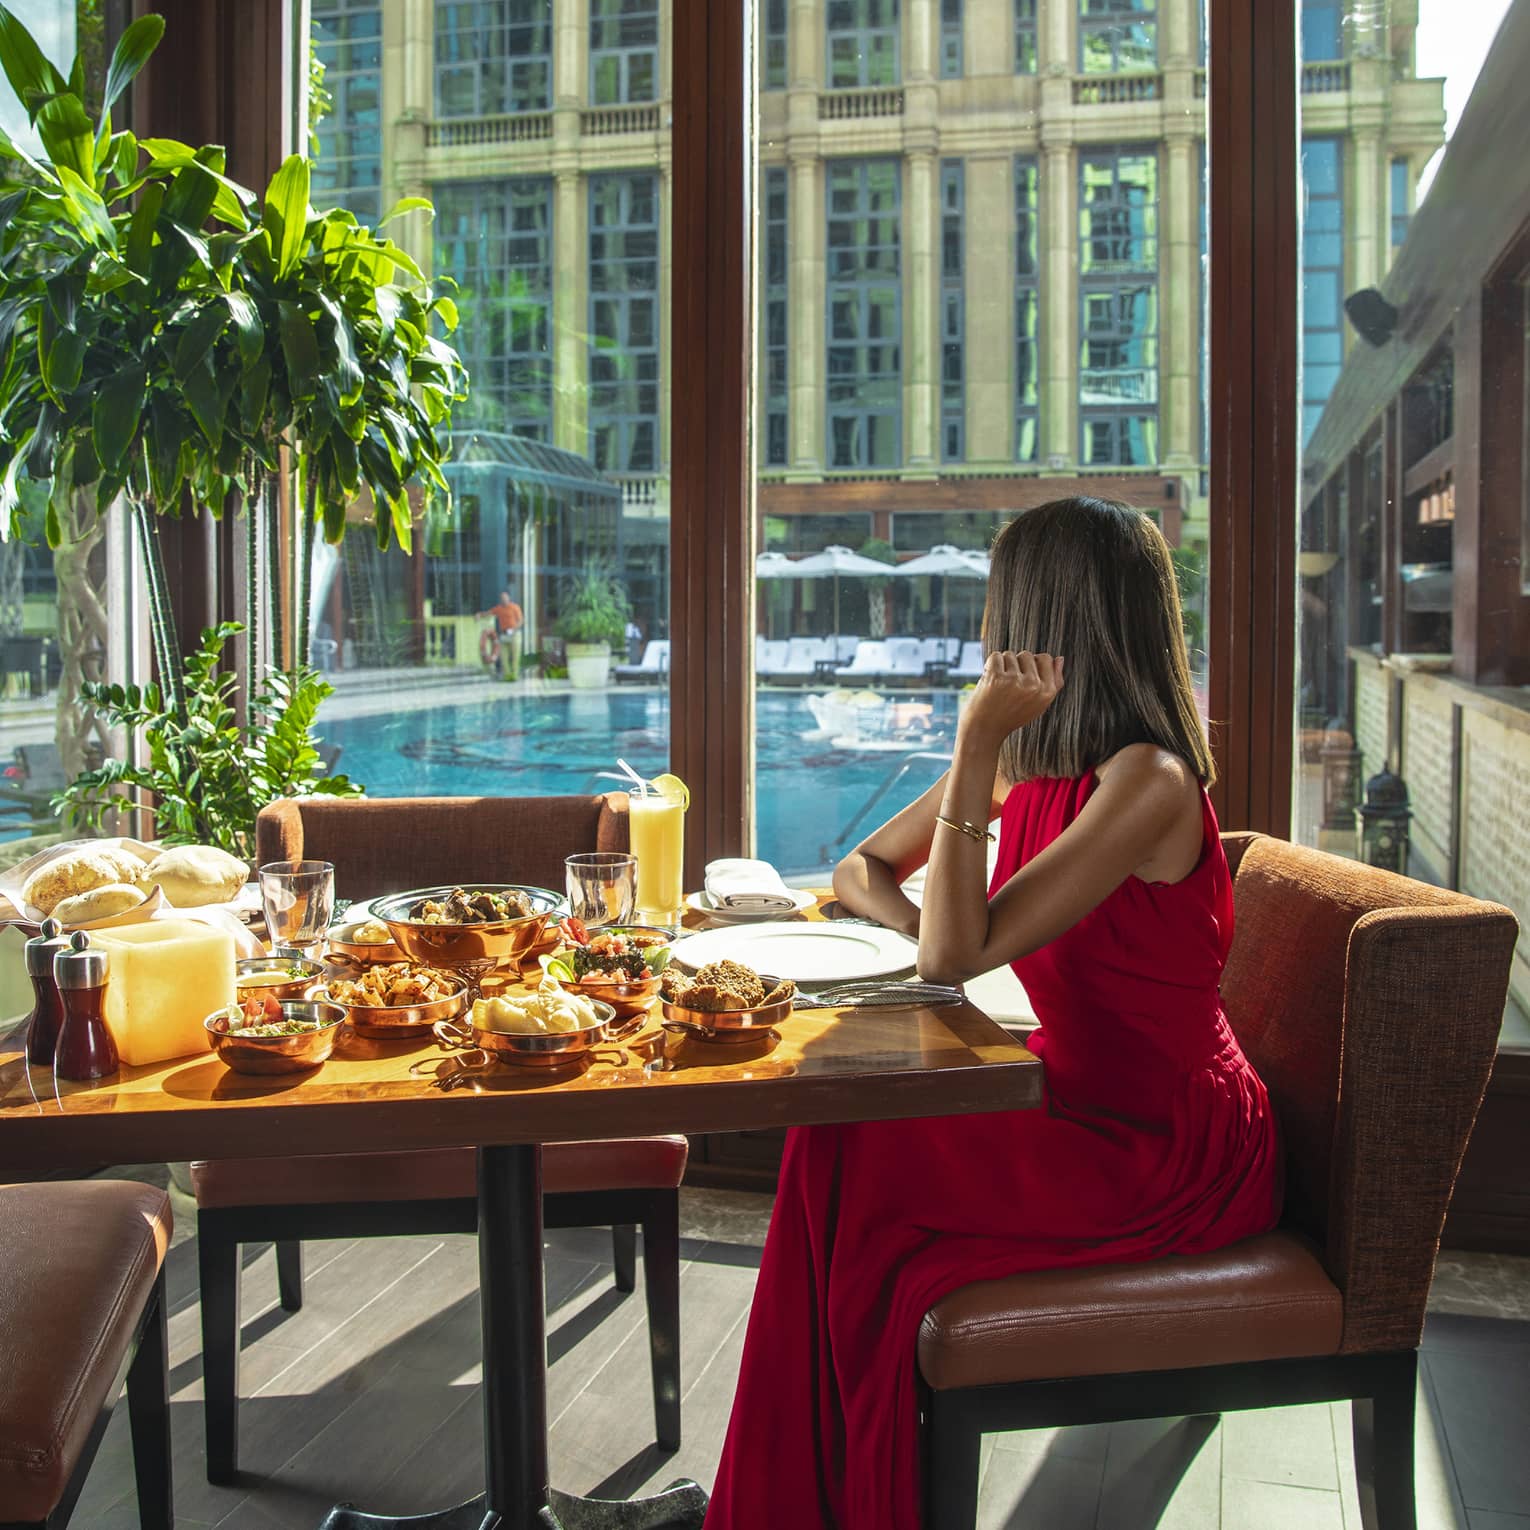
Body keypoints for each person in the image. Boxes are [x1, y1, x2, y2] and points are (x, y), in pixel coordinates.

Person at [705, 497, 1282, 1530]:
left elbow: (951, 952)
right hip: (1068, 1098)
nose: (985, 633)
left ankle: (818, 1502)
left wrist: (974, 745)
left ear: (1046, 622)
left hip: (1167, 1143)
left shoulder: (1145, 782)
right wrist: (940, 891)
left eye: (998, 608)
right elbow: (856, 871)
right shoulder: (1038, 771)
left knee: (848, 1154)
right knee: (835, 1135)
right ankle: (798, 1499)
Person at [477, 589, 523, 681]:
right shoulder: (499, 608)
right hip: (504, 634)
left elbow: (521, 621)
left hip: (514, 634)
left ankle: (514, 674)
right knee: (503, 656)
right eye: (502, 598)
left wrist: (514, 629)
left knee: (515, 656)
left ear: (509, 598)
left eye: (505, 597)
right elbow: (488, 613)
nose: (504, 599)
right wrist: (479, 614)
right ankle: (507, 675)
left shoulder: (515, 607)